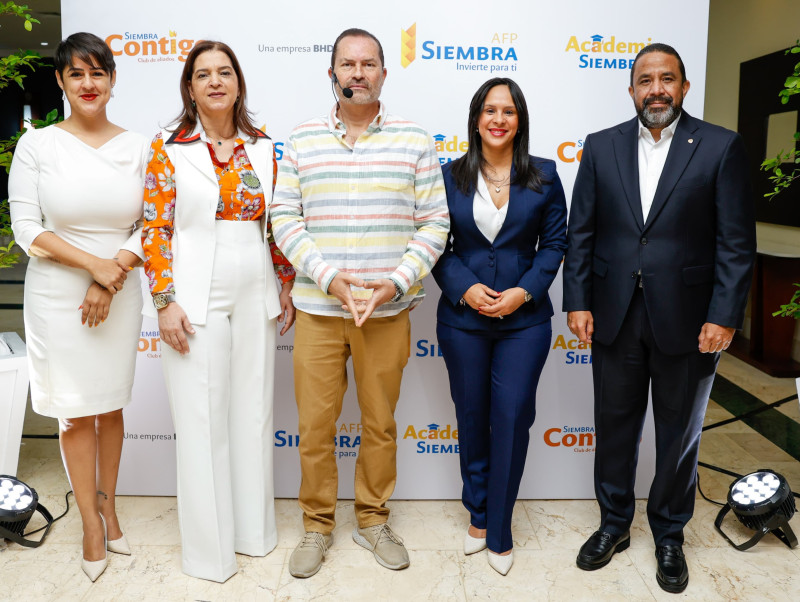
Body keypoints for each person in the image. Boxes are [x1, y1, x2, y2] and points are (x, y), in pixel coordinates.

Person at [562, 43, 756, 594]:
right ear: (631, 89)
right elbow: (582, 232)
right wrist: (577, 300)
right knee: (614, 427)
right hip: (614, 314)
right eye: (645, 80)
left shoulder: (720, 146)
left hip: (691, 321)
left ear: (684, 87)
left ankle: (670, 534)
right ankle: (614, 525)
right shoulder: (601, 146)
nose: (656, 90)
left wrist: (724, 315)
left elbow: (736, 243)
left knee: (679, 435)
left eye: (666, 79)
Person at [270, 27, 449, 579]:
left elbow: (434, 223)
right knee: (314, 427)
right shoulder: (302, 139)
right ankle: (317, 525)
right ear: (332, 73)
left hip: (386, 312)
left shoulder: (413, 139)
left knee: (380, 424)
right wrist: (330, 279)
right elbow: (284, 218)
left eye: (368, 64)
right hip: (319, 311)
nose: (358, 73)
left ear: (383, 74)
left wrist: (395, 283)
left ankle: (372, 519)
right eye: (348, 64)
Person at [141, 40, 295, 583]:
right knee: (202, 418)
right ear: (189, 87)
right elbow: (154, 229)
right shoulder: (168, 148)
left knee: (254, 412)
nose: (214, 81)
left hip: (256, 280)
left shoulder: (264, 147)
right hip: (192, 287)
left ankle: (253, 534)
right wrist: (165, 301)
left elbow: (276, 224)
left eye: (224, 72)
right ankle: (210, 554)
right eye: (203, 74)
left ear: (237, 83)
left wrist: (285, 283)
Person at [9, 32, 147, 582]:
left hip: (119, 288)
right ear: (61, 82)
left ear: (112, 80)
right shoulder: (37, 146)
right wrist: (94, 267)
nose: (88, 84)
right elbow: (27, 229)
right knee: (74, 411)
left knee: (110, 407)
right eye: (76, 74)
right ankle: (90, 522)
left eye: (98, 73)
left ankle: (109, 508)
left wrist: (110, 279)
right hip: (57, 295)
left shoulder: (139, 147)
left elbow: (152, 223)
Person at [431, 78, 567, 576]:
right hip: (462, 319)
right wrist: (464, 287)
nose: (499, 119)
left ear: (520, 120)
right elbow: (435, 244)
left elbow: (555, 244)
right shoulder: (448, 176)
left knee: (511, 418)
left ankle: (500, 527)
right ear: (475, 119)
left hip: (524, 322)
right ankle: (478, 512)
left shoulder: (545, 175)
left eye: (508, 111)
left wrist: (523, 291)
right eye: (490, 110)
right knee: (471, 416)